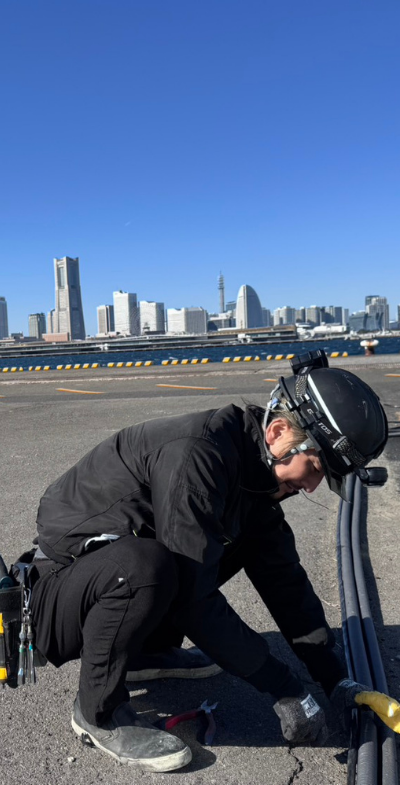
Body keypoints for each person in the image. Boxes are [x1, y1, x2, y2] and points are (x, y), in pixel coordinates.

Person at [28, 351, 388, 772]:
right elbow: (191, 596)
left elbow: (285, 582)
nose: (311, 487)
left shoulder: (252, 477)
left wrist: (335, 678)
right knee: (151, 566)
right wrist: (283, 686)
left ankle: (147, 654)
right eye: (314, 469)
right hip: (58, 594)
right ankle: (97, 712)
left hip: (107, 579)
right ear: (277, 432)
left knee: (208, 549)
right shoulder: (198, 457)